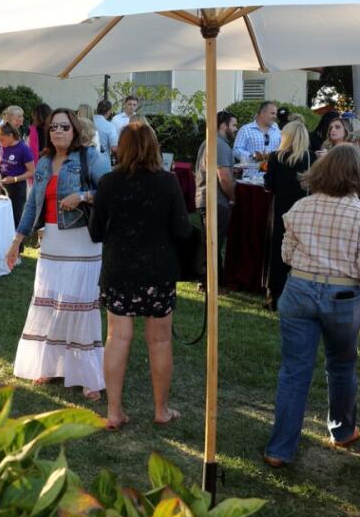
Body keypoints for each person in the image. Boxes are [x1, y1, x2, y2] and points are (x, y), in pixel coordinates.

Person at [263, 144, 360, 468]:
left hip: (299, 289)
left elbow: (286, 255)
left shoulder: (299, 208)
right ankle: (342, 431)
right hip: (343, 296)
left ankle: (280, 449)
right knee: (342, 366)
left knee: (294, 371)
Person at [90, 122, 190, 430]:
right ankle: (161, 410)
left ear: (123, 147)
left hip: (119, 269)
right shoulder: (168, 182)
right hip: (157, 271)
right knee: (159, 342)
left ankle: (113, 412)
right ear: (154, 147)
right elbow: (183, 231)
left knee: (117, 338)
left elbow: (95, 232)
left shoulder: (108, 183)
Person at [7, 108, 110, 395]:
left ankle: (88, 376)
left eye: (64, 127)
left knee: (80, 304)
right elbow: (31, 205)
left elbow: (112, 190)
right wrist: (17, 241)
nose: (59, 132)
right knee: (51, 303)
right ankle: (50, 367)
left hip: (83, 242)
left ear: (75, 130)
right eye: (53, 127)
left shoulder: (90, 157)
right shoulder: (43, 163)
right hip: (51, 242)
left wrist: (84, 196)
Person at [264, 120, 312, 308]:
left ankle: (275, 295)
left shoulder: (276, 157)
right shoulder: (310, 157)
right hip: (304, 210)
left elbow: (269, 185)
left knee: (278, 251)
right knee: (303, 251)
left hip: (281, 210)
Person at [196, 110, 238, 246]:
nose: (235, 129)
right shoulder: (220, 145)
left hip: (207, 200)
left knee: (210, 247)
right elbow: (224, 178)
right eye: (233, 125)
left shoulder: (210, 141)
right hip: (216, 202)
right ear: (223, 126)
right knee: (212, 248)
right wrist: (233, 198)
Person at [0, 122, 34, 228]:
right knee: (3, 215)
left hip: (17, 187)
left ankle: (18, 243)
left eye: (2, 139)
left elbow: (32, 171)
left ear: (10, 136)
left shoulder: (23, 149)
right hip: (3, 182)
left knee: (15, 218)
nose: (0, 142)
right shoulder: (3, 146)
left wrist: (14, 179)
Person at [233, 100, 282, 170]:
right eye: (272, 113)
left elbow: (282, 149)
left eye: (275, 114)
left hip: (273, 175)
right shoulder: (246, 129)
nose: (275, 116)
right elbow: (236, 150)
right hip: (252, 176)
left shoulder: (276, 130)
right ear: (262, 113)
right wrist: (252, 156)